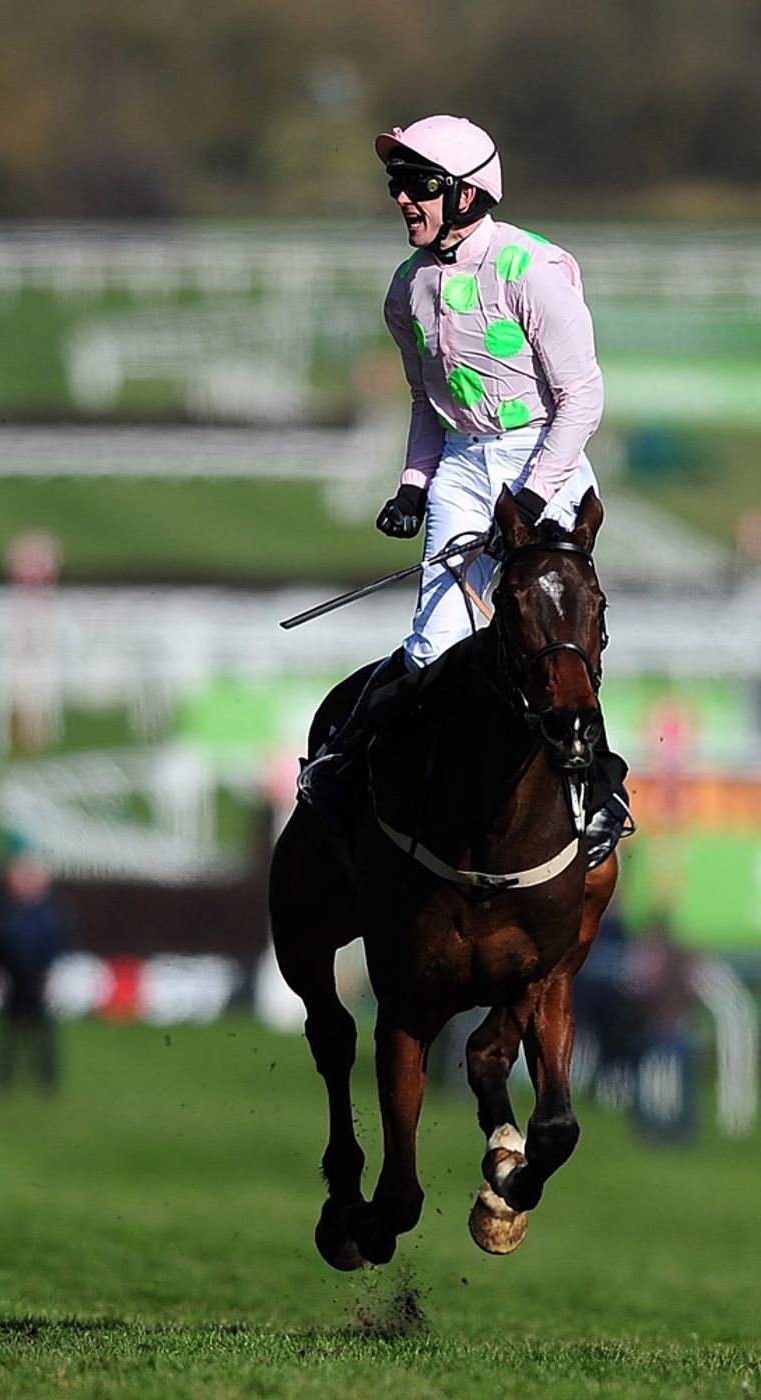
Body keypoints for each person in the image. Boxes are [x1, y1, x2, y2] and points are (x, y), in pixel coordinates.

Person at [298, 114, 633, 869]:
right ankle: (346, 761)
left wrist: (534, 495)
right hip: (462, 461)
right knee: (433, 647)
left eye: (418, 185)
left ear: (467, 195)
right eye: (397, 184)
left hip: (545, 455)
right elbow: (428, 401)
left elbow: (582, 398)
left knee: (552, 640)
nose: (403, 198)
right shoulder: (407, 289)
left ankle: (600, 794)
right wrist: (414, 485)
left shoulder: (532, 271)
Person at [0, 856, 69, 1095]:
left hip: (37, 978)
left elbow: (56, 944)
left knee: (41, 1031)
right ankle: (4, 1076)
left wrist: (47, 971)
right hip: (11, 978)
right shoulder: (4, 910)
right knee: (8, 1031)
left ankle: (46, 1077)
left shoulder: (49, 912)